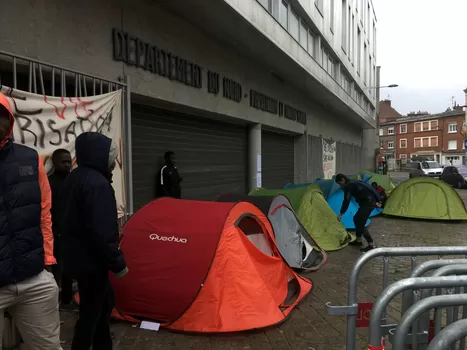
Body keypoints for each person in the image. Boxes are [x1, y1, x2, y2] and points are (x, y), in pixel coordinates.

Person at [0, 92, 62, 348]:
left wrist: (46, 260)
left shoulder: (30, 158)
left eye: (1, 115)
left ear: (10, 120)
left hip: (33, 278)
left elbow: (44, 212)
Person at [61, 132, 128, 350]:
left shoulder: (75, 177)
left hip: (78, 258)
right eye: (110, 156)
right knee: (90, 315)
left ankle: (103, 344)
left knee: (104, 303)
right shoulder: (97, 184)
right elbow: (102, 231)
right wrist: (118, 263)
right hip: (91, 262)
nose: (112, 161)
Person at [48, 148, 76, 311]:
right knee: (59, 269)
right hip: (57, 233)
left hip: (74, 233)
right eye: (63, 162)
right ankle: (57, 302)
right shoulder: (50, 183)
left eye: (68, 161)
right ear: (55, 163)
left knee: (71, 268)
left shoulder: (74, 180)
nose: (67, 165)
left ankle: (67, 299)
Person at [335, 174, 382, 252]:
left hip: (368, 203)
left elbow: (346, 200)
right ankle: (358, 240)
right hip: (369, 202)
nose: (340, 186)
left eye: (340, 183)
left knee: (360, 222)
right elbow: (370, 187)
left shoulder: (348, 185)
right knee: (356, 219)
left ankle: (371, 245)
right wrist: (378, 199)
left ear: (343, 179)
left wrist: (341, 213)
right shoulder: (355, 181)